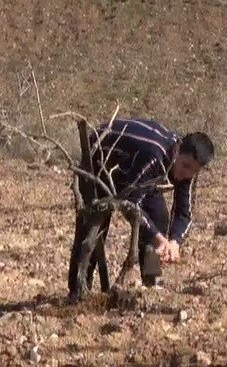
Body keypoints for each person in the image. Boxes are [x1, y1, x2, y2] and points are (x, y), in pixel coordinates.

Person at [70, 117, 214, 298]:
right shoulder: (154, 156)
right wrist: (158, 237)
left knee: (158, 215)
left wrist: (174, 242)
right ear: (177, 151)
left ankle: (152, 285)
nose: (187, 174)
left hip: (137, 172)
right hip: (101, 159)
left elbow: (184, 213)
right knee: (92, 228)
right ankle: (79, 292)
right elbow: (132, 203)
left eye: (193, 171)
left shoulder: (188, 167)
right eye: (185, 166)